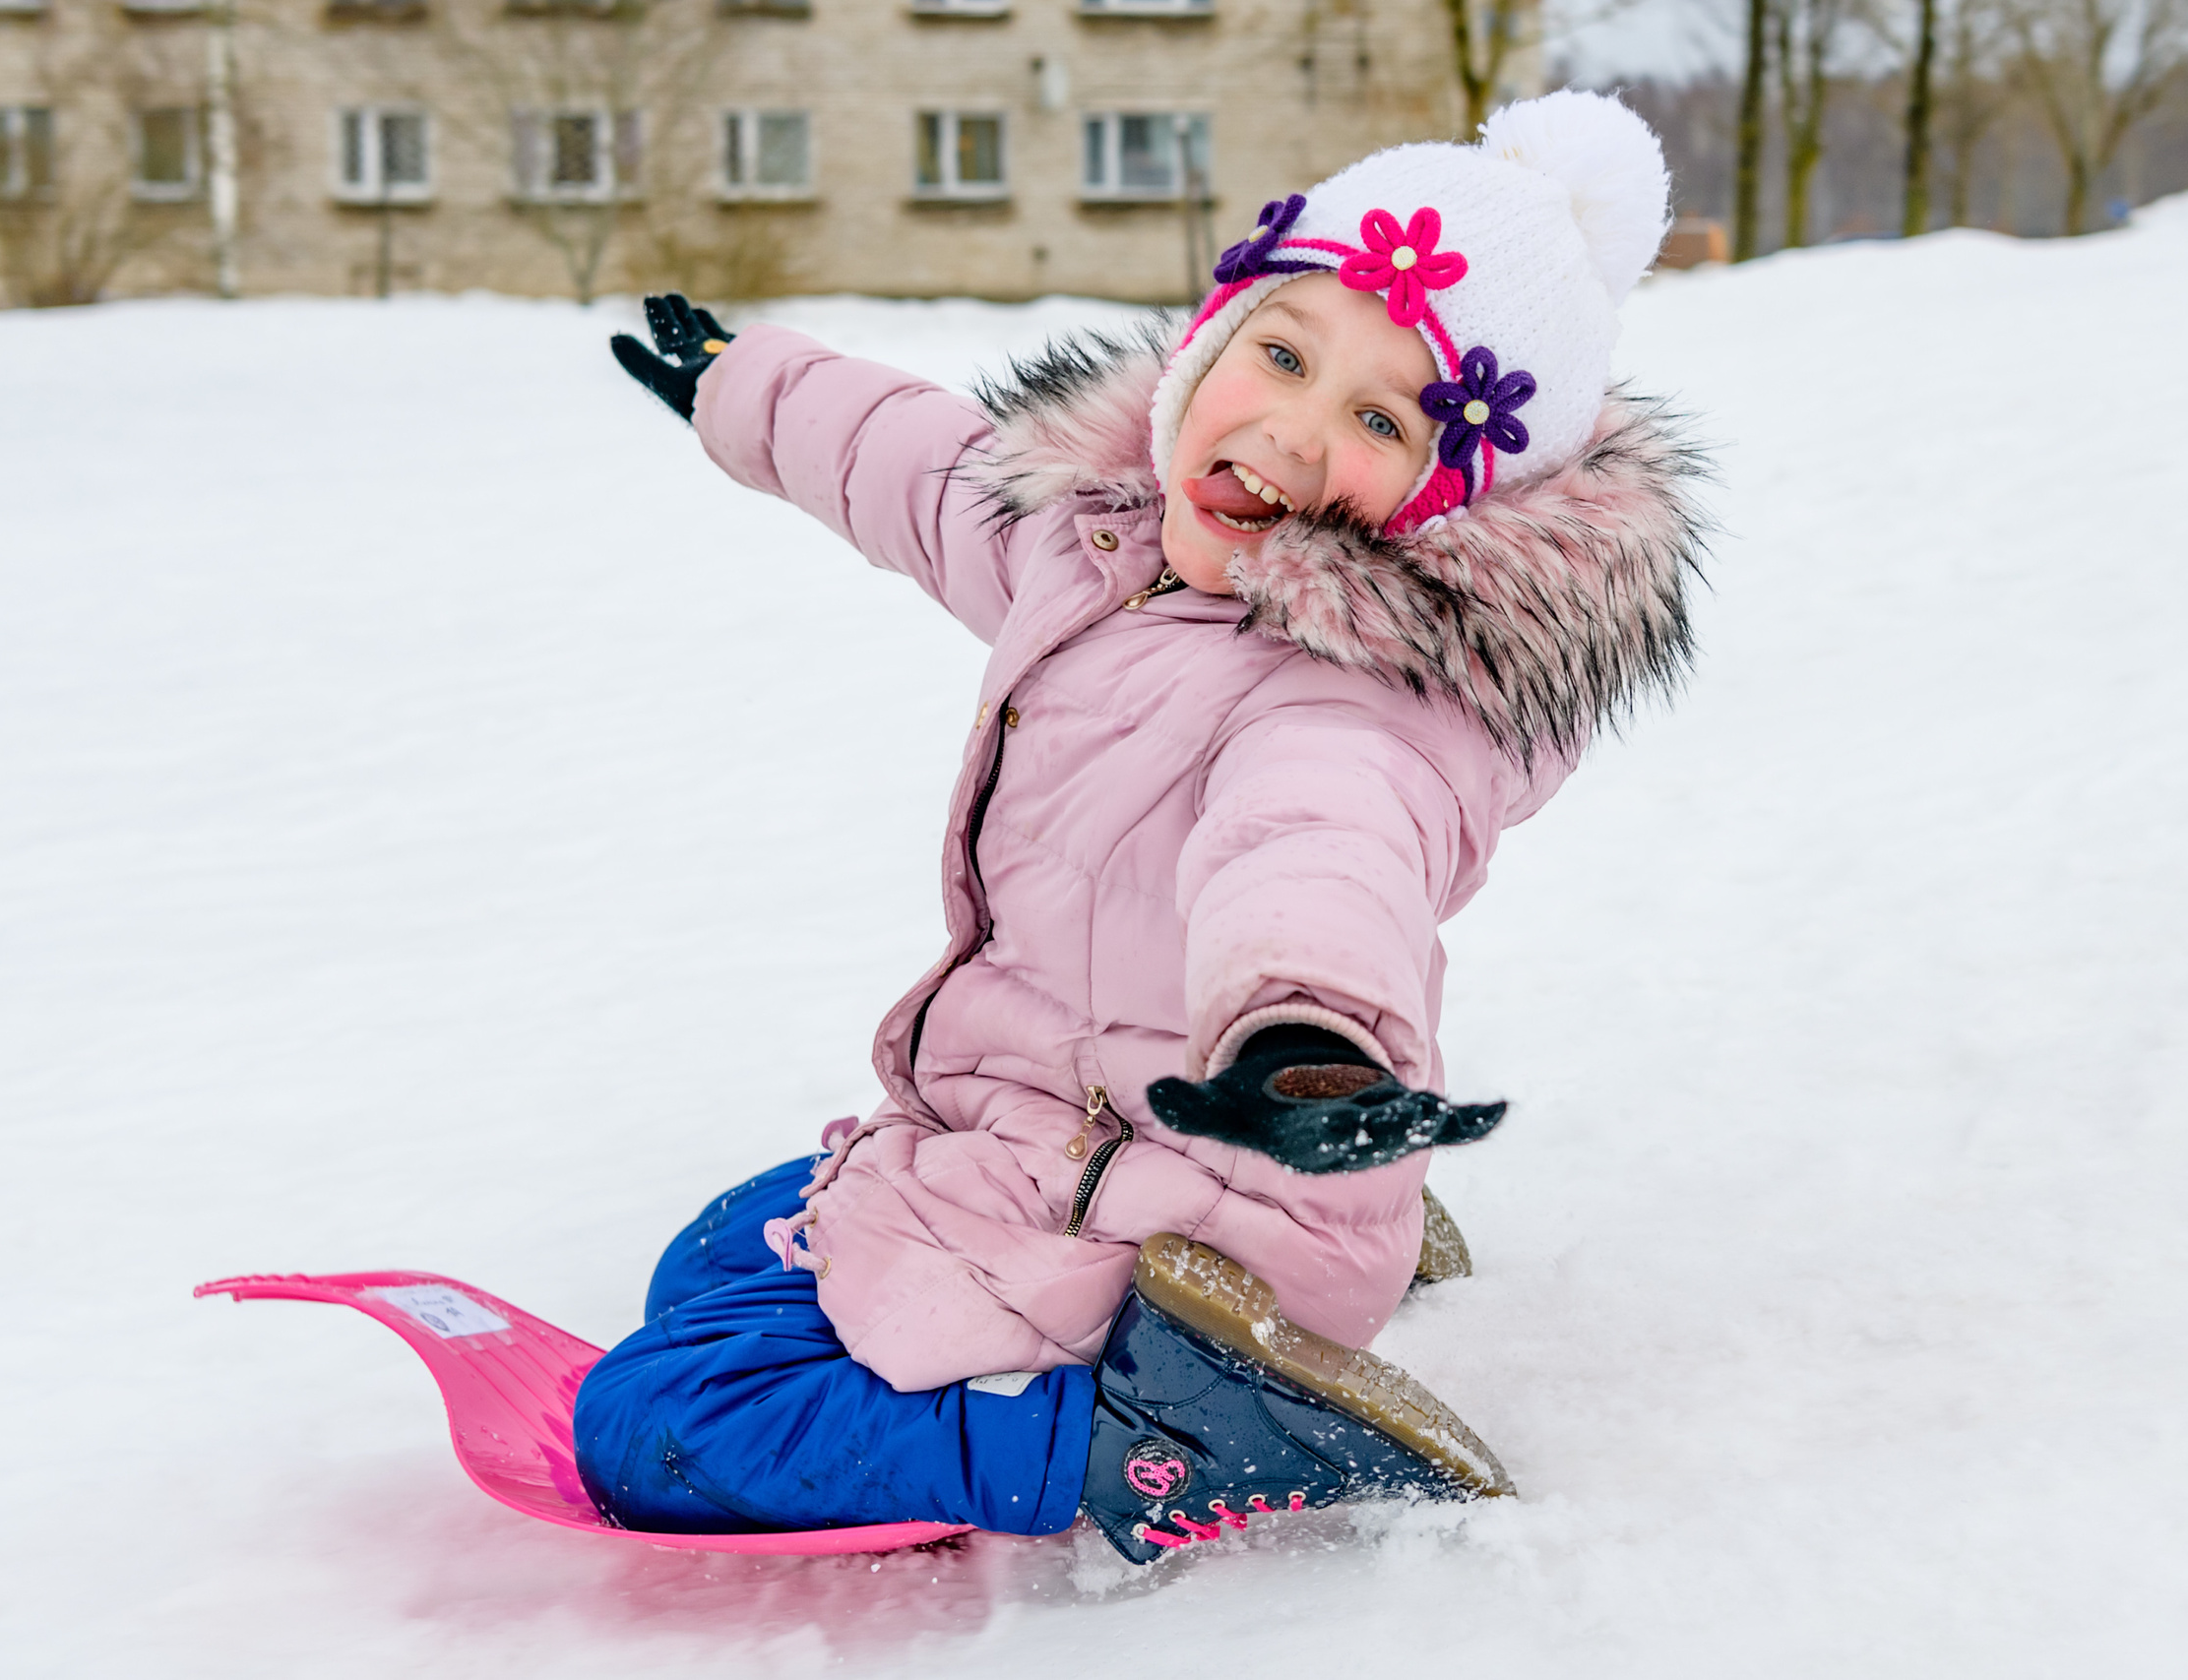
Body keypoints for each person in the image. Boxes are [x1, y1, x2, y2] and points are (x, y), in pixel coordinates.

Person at [587, 91, 1706, 1566]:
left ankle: (1161, 1435)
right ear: (1209, 343)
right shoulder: (1108, 545)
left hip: (1185, 1151)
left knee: (661, 1413)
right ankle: (1263, 1277)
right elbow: (925, 475)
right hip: (1060, 1123)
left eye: (1380, 416)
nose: (1295, 429)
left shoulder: (1345, 698)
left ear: (1453, 494)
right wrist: (752, 387)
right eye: (1285, 353)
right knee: (719, 1251)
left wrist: (1305, 1052)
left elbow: (1316, 861)